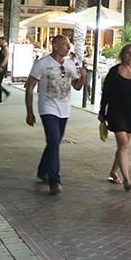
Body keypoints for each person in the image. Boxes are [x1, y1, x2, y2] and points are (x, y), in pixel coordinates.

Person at [25, 34, 87, 195]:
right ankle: (55, 180)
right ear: (55, 46)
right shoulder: (42, 64)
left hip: (64, 108)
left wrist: (84, 78)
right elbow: (30, 87)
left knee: (55, 142)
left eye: (69, 45)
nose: (69, 48)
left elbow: (77, 86)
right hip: (48, 107)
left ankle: (42, 169)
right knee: (53, 140)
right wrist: (29, 112)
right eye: (65, 45)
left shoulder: (70, 65)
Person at [98, 43, 131, 190]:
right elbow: (106, 93)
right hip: (116, 112)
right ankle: (127, 180)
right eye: (127, 53)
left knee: (123, 146)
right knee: (123, 144)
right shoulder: (114, 71)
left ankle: (113, 172)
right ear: (122, 55)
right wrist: (102, 112)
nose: (130, 56)